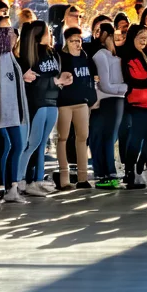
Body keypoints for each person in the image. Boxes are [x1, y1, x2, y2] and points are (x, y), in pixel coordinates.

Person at [17, 20, 68, 194]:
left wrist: (61, 81)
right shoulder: (29, 56)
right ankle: (19, 179)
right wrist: (53, 81)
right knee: (33, 143)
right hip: (37, 103)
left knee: (42, 143)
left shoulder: (53, 52)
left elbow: (55, 75)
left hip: (52, 101)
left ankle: (37, 179)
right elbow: (33, 82)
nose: (51, 34)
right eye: (48, 32)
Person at [120, 24, 147, 189]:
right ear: (133, 38)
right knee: (136, 137)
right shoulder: (129, 56)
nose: (144, 42)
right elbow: (135, 79)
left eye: (146, 39)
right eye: (141, 38)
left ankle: (139, 170)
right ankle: (130, 172)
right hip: (138, 102)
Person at [0, 23, 29, 205]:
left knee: (13, 146)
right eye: (10, 34)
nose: (14, 36)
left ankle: (8, 187)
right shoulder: (2, 58)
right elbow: (4, 89)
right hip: (6, 111)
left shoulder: (10, 57)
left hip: (13, 111)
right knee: (14, 146)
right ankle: (9, 187)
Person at [57, 27, 96, 189]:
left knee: (82, 138)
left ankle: (83, 177)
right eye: (73, 41)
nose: (77, 44)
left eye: (79, 40)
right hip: (64, 103)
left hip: (82, 102)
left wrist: (92, 99)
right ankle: (64, 178)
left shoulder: (86, 58)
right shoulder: (61, 58)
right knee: (63, 138)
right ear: (66, 41)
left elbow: (91, 80)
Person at [90, 23, 126, 188]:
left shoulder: (116, 55)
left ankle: (107, 173)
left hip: (115, 100)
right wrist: (124, 89)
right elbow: (105, 84)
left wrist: (122, 89)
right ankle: (108, 173)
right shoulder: (100, 55)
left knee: (108, 138)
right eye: (114, 36)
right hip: (108, 100)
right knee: (105, 138)